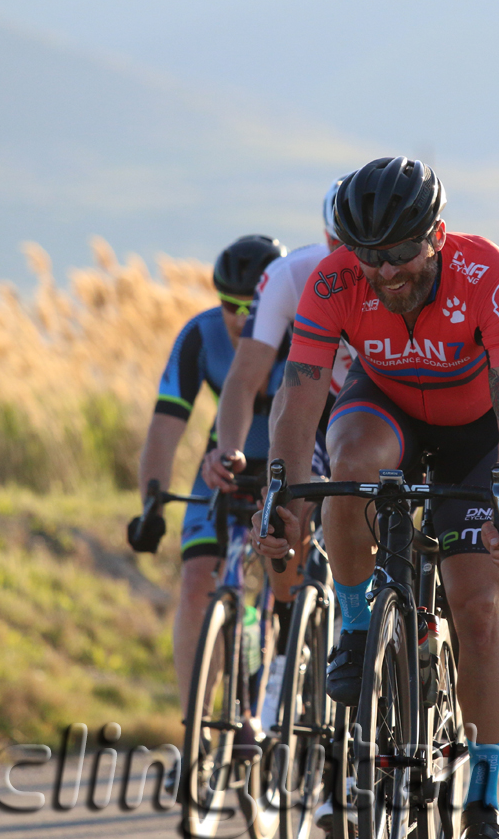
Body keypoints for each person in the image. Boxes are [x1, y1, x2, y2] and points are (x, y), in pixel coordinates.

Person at [252, 156, 499, 839]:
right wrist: (284, 500)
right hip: (386, 411)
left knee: (474, 606)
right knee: (345, 469)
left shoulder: (488, 276)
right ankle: (357, 631)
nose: (386, 270)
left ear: (437, 233)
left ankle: (484, 797)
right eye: (371, 254)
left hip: (475, 436)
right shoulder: (333, 279)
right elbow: (298, 402)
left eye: (403, 251)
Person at [198, 174, 358, 742]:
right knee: (286, 511)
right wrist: (229, 448)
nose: (352, 261)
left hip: (379, 406)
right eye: (342, 245)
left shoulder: (392, 282)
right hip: (318, 406)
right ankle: (289, 651)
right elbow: (245, 379)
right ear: (324, 237)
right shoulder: (291, 276)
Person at [126, 233, 287, 730]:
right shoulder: (199, 335)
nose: (240, 319)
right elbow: (165, 425)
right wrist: (150, 504)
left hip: (289, 466)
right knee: (197, 581)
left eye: (253, 306)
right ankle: (194, 731)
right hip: (225, 466)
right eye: (229, 305)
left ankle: (283, 693)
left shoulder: (307, 332)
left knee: (289, 589)